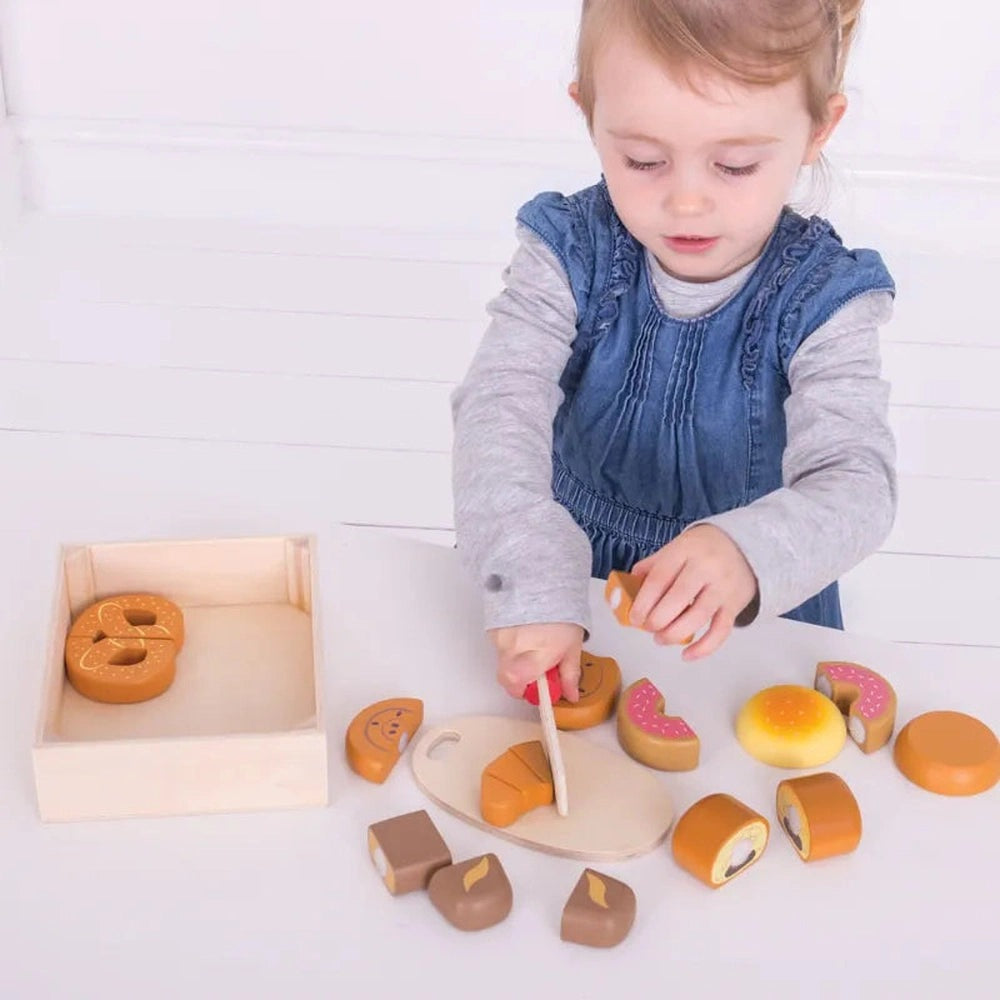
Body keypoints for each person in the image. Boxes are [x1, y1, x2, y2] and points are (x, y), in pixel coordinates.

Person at [451, 0, 895, 703]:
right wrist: (524, 562)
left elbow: (857, 482)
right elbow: (498, 407)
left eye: (736, 165)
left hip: (746, 613)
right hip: (561, 578)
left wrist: (750, 553)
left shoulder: (825, 298)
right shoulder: (567, 251)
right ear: (589, 114)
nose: (687, 202)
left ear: (818, 128)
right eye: (644, 160)